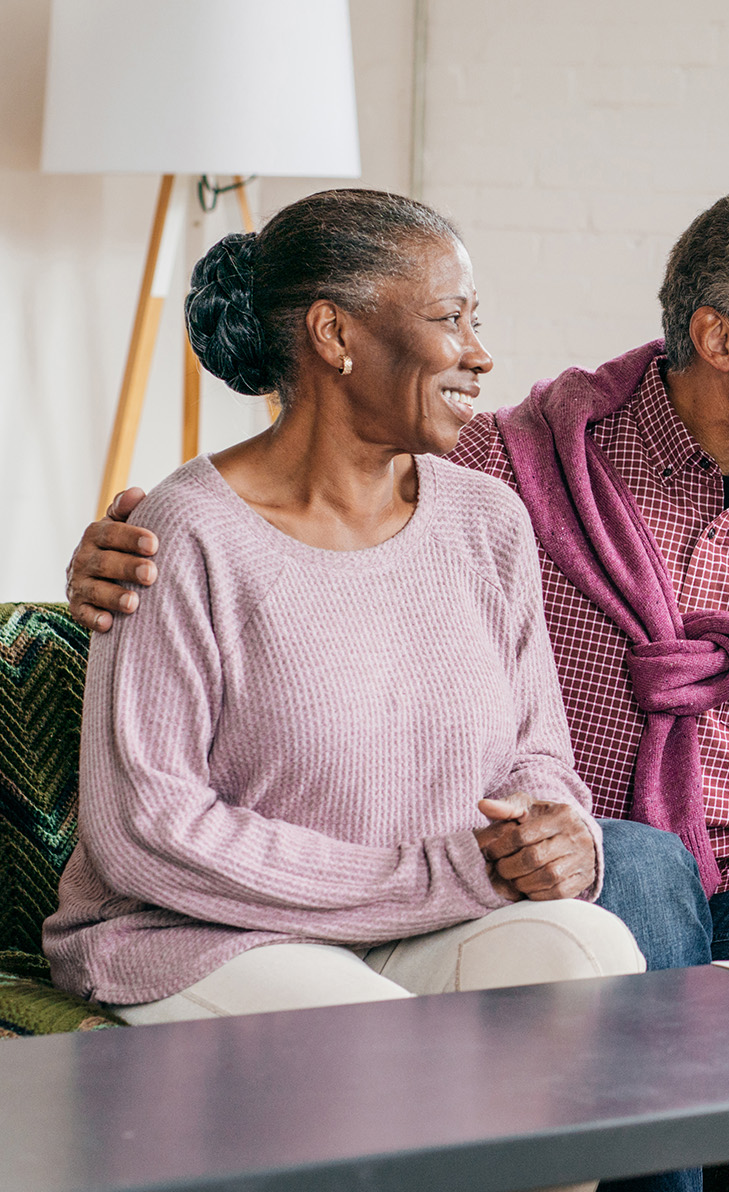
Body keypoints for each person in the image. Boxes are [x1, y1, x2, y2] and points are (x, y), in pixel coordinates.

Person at [66, 187, 729, 1192]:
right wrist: (116, 547)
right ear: (718, 338)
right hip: (598, 884)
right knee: (639, 868)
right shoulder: (519, 464)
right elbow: (315, 494)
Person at [45, 190, 644, 1132]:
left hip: (423, 922)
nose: (480, 353)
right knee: (386, 1047)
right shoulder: (183, 535)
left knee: (592, 959)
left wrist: (561, 831)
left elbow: (536, 755)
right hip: (209, 937)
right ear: (334, 332)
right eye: (451, 319)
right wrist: (431, 875)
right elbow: (149, 829)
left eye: (475, 321)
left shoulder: (488, 522)